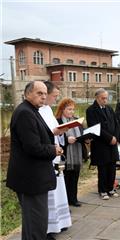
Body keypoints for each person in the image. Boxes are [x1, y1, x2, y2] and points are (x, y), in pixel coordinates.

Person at [6, 81, 64, 240]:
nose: (44, 97)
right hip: (31, 179)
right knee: (36, 224)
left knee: (33, 223)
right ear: (27, 93)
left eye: (45, 93)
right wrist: (54, 149)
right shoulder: (25, 112)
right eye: (39, 93)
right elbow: (33, 147)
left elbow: (37, 137)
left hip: (31, 177)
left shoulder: (32, 110)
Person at [39, 81, 72, 238]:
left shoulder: (48, 110)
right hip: (47, 155)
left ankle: (60, 222)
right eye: (54, 96)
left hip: (55, 155)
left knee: (59, 188)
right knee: (50, 194)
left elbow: (53, 131)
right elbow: (44, 134)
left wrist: (62, 131)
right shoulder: (37, 112)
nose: (55, 99)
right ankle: (49, 227)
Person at [86, 88, 120, 200]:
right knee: (103, 168)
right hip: (101, 144)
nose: (105, 100)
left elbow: (116, 123)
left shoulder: (109, 109)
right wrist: (109, 138)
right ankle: (102, 190)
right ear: (97, 98)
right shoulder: (91, 110)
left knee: (112, 167)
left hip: (112, 143)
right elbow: (95, 127)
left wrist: (115, 137)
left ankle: (111, 188)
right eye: (103, 98)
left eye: (106, 98)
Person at [55, 98, 85, 207]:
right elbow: (56, 139)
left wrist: (86, 137)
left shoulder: (76, 121)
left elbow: (82, 134)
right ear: (62, 109)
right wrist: (67, 141)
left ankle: (74, 199)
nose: (72, 112)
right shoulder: (58, 121)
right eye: (69, 109)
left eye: (73, 109)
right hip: (65, 154)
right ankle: (65, 202)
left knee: (75, 178)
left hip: (77, 154)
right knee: (65, 179)